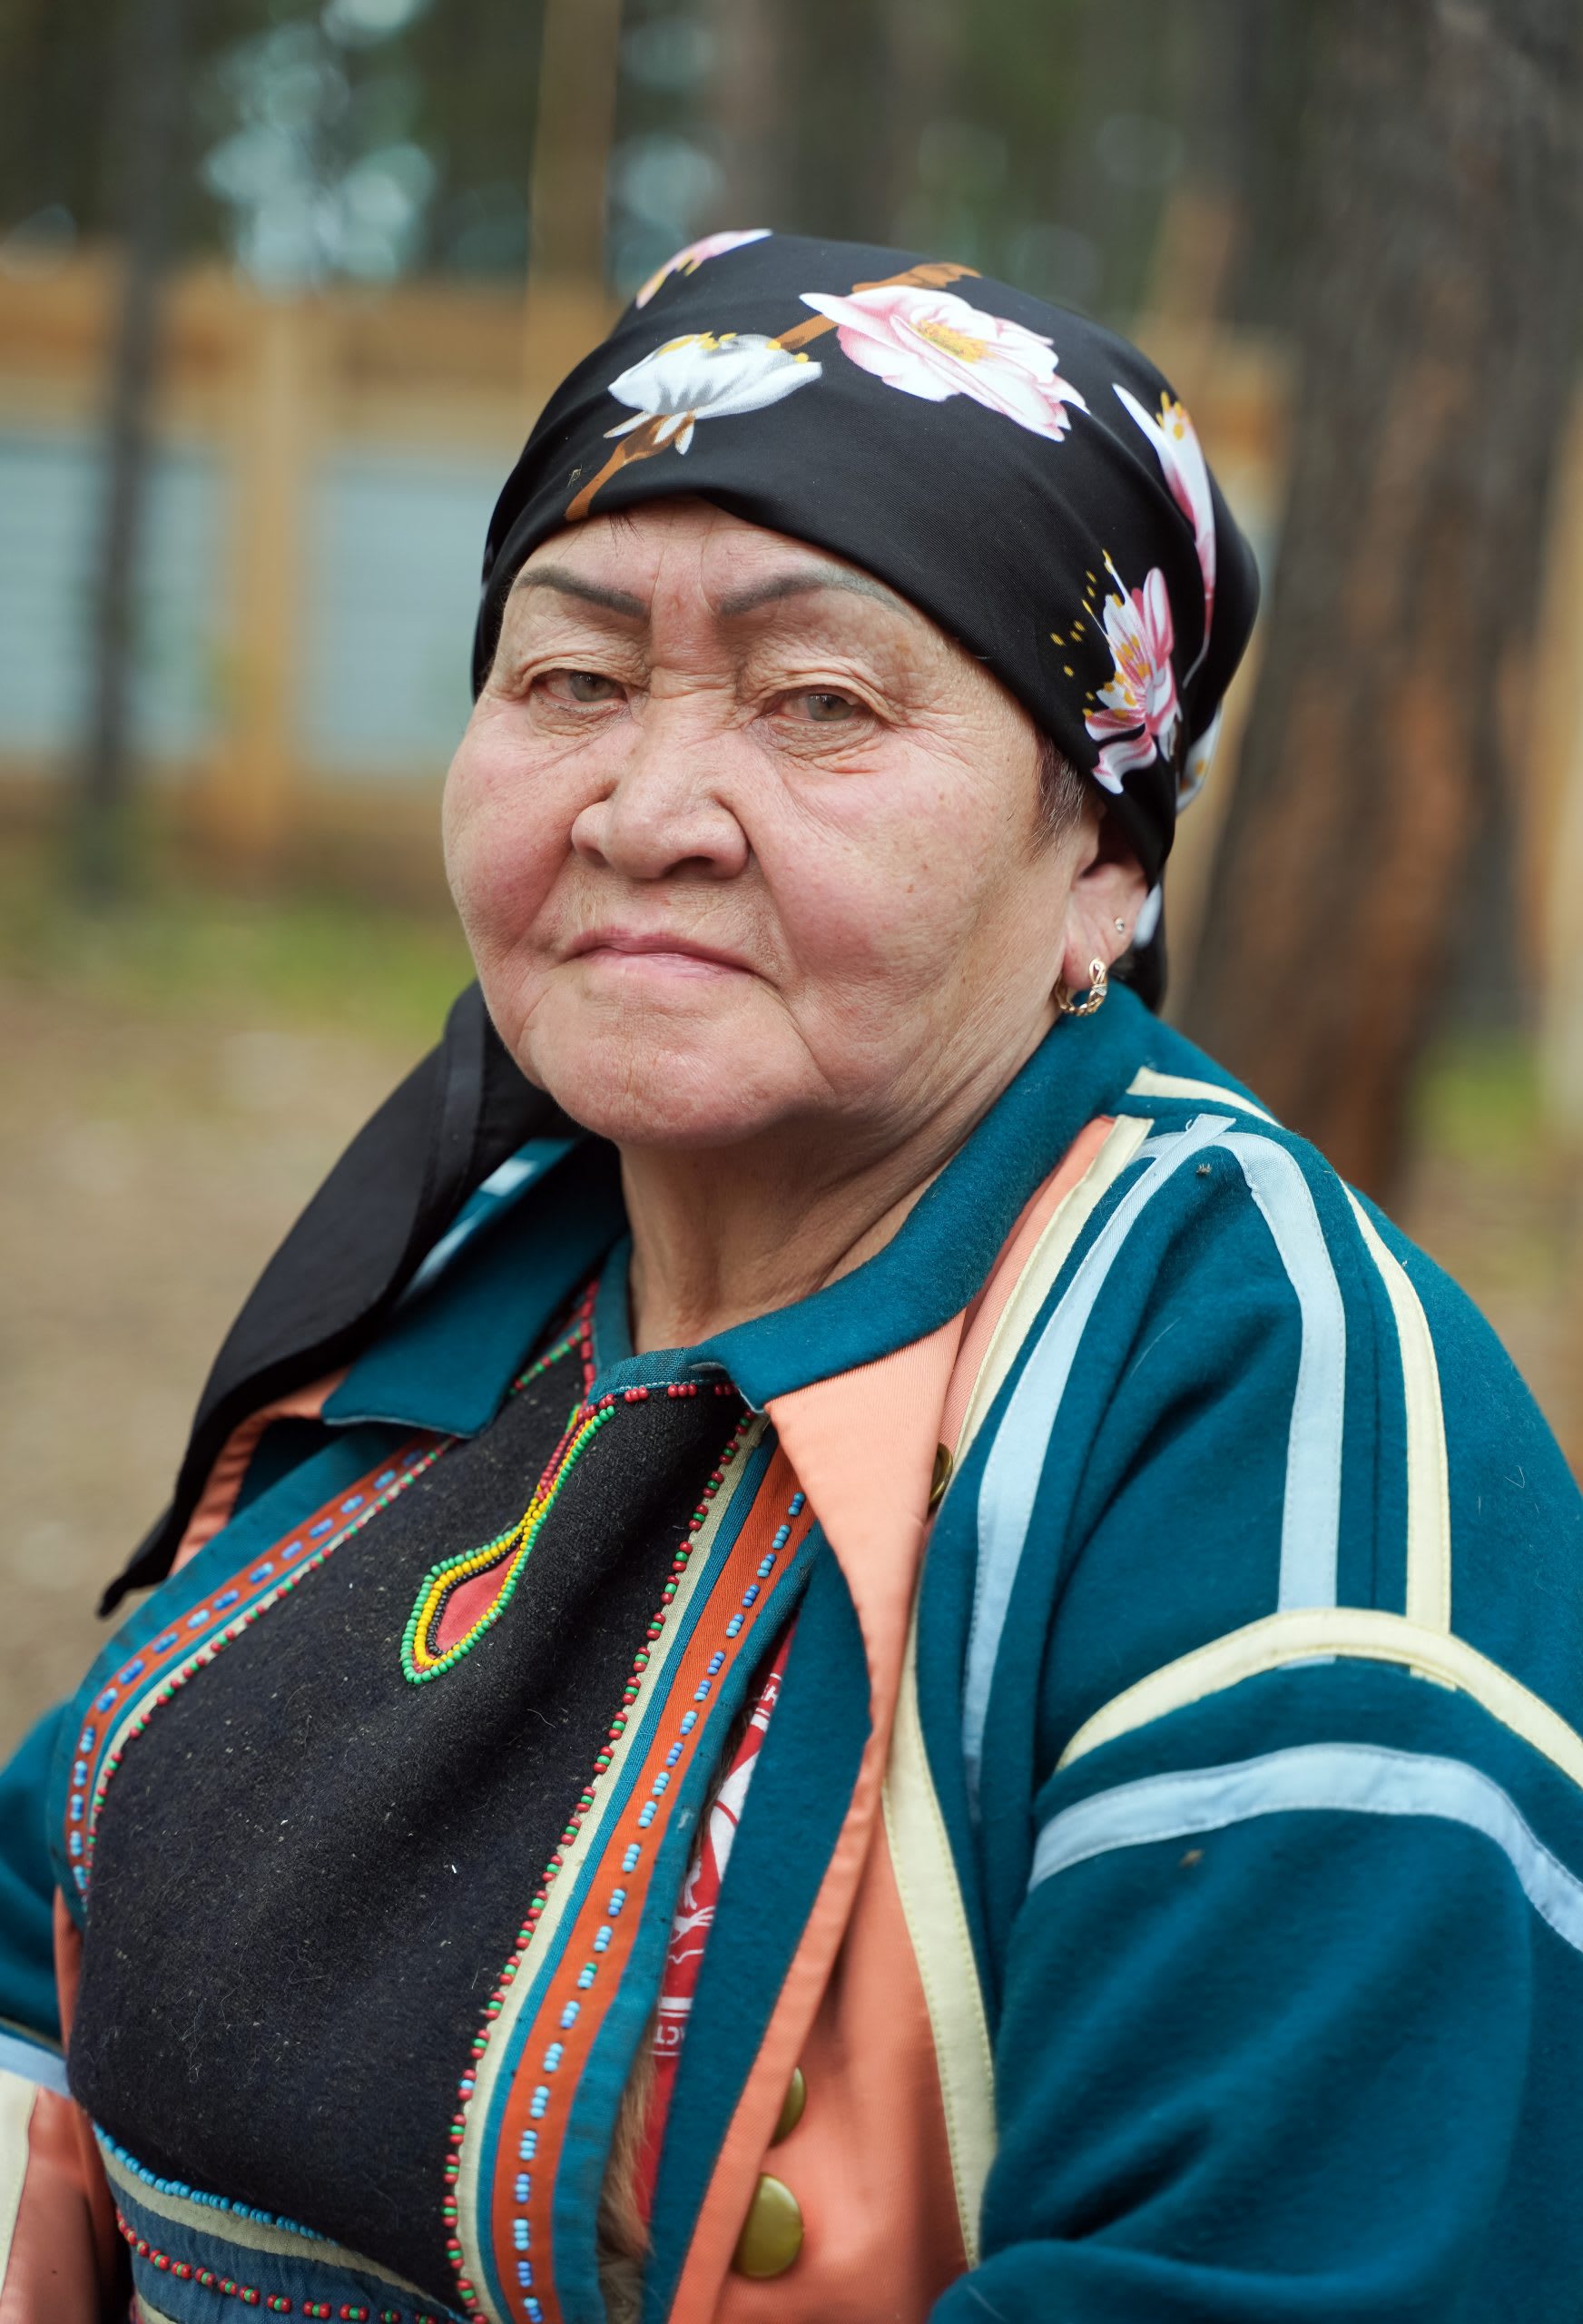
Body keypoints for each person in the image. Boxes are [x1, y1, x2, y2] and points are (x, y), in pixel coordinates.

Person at [2, 230, 1580, 2324]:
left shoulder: (1269, 1415)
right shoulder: (486, 1264)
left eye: (816, 700)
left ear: (1101, 859)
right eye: (570, 679)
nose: (646, 808)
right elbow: (45, 1899)